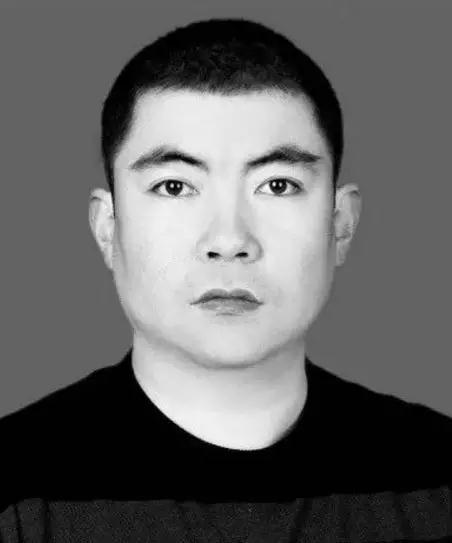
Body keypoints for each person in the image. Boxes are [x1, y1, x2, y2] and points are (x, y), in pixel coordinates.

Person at [1, 17, 451, 542]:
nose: (229, 239)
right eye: (174, 186)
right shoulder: (16, 495)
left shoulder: (437, 481)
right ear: (108, 227)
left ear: (340, 223)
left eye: (278, 185)